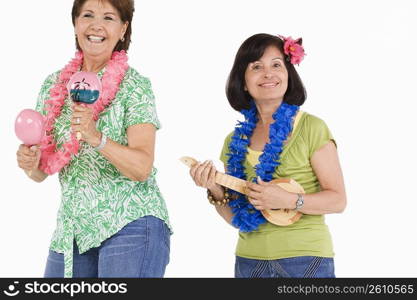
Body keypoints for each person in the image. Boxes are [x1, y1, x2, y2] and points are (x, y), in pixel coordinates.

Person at [15, 0, 171, 278]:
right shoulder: (54, 85)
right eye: (87, 15)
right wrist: (30, 162)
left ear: (123, 29)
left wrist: (95, 137)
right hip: (72, 231)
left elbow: (141, 167)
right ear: (75, 24)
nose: (96, 25)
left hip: (129, 224)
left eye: (108, 17)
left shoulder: (135, 86)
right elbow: (41, 171)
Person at [189, 33, 346, 278]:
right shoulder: (234, 141)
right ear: (243, 81)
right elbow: (236, 217)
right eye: (256, 67)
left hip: (305, 261)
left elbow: (338, 201)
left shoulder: (312, 128)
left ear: (288, 74)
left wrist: (290, 201)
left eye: (276, 65)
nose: (268, 74)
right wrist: (215, 189)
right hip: (249, 262)